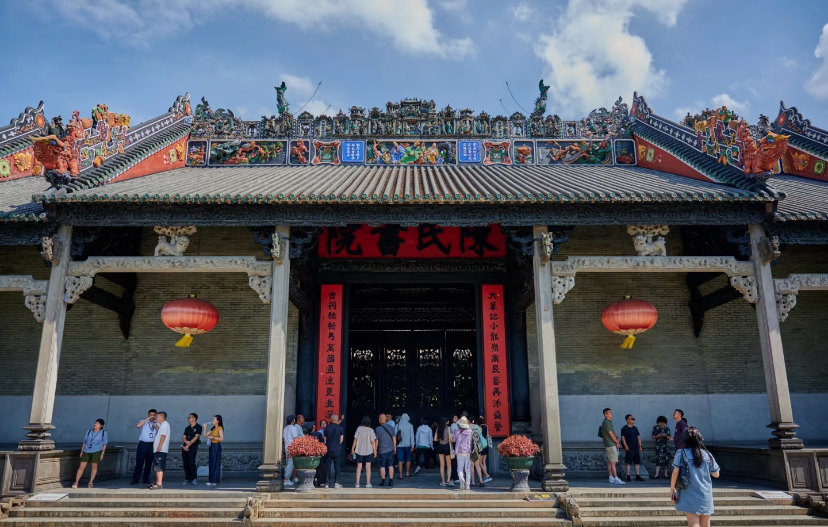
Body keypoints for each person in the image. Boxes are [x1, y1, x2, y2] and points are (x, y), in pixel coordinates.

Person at [670, 427, 721, 527]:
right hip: (705, 493)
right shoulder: (707, 454)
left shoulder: (681, 453)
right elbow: (716, 474)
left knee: (693, 524)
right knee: (706, 525)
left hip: (689, 492)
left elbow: (675, 473)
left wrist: (672, 490)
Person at [72, 419, 108, 488]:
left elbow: (104, 444)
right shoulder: (89, 431)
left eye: (97, 423)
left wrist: (102, 453)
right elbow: (84, 442)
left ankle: (90, 482)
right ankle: (76, 482)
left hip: (97, 451)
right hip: (86, 450)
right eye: (95, 423)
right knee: (81, 467)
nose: (95, 424)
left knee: (94, 466)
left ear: (101, 425)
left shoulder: (103, 432)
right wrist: (82, 451)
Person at [131, 409, 158, 485]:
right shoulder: (144, 421)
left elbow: (160, 432)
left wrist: (156, 426)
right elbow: (138, 426)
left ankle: (146, 479)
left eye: (153, 414)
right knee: (139, 462)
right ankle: (135, 479)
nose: (152, 416)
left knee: (149, 463)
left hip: (151, 445)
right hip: (143, 444)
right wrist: (147, 419)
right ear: (148, 415)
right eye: (150, 414)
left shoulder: (157, 423)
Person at [600, 408, 625, 485]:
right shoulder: (606, 422)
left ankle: (611, 477)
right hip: (611, 444)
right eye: (610, 413)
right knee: (613, 462)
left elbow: (613, 432)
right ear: (606, 414)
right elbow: (610, 433)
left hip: (610, 444)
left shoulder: (608, 422)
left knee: (610, 461)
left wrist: (616, 438)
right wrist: (616, 442)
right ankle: (616, 478)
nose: (611, 414)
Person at [351, 415, 377, 488]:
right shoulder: (371, 430)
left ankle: (357, 483)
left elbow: (355, 439)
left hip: (359, 450)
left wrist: (353, 448)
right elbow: (373, 442)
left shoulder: (359, 429)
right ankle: (368, 483)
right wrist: (375, 451)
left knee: (359, 467)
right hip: (369, 451)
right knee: (368, 467)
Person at [620, 414, 645, 482]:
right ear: (627, 420)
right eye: (631, 419)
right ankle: (628, 476)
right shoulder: (624, 428)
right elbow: (623, 438)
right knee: (628, 462)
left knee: (637, 462)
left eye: (634, 419)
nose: (633, 420)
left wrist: (640, 445)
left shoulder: (635, 428)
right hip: (629, 448)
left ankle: (637, 475)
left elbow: (638, 437)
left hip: (636, 447)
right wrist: (626, 446)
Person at [149, 411, 170, 490]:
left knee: (159, 466)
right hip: (159, 450)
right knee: (157, 466)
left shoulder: (165, 424)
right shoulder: (162, 425)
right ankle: (157, 482)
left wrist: (159, 446)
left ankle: (159, 483)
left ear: (162, 417)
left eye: (157, 416)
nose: (156, 418)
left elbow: (163, 436)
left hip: (160, 450)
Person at [323, 414, 344, 488]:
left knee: (327, 466)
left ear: (330, 420)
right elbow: (341, 440)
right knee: (337, 467)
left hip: (328, 449)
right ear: (337, 420)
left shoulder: (327, 428)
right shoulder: (340, 428)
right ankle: (336, 482)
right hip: (337, 449)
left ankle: (326, 483)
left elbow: (325, 439)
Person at [375, 413, 397, 486]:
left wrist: (375, 450)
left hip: (381, 450)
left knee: (382, 466)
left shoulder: (377, 429)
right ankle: (391, 481)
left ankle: (383, 481)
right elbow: (394, 438)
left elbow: (376, 441)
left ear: (380, 420)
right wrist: (394, 447)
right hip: (390, 449)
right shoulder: (391, 428)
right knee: (390, 465)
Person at [181, 413, 202, 485]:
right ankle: (187, 478)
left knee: (191, 462)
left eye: (190, 417)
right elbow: (183, 437)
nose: (188, 419)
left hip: (192, 447)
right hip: (185, 447)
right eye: (188, 417)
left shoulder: (198, 427)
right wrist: (186, 442)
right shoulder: (187, 428)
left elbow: (196, 437)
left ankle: (194, 478)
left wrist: (189, 444)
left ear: (194, 418)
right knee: (185, 463)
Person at [453, 416, 473, 491]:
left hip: (459, 452)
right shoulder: (470, 431)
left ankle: (461, 479)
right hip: (468, 452)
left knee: (460, 468)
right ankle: (467, 485)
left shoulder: (457, 432)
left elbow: (454, 440)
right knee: (468, 469)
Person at [204, 415, 224, 486]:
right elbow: (205, 435)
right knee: (211, 462)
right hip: (211, 446)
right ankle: (211, 480)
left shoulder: (220, 428)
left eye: (214, 419)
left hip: (216, 446)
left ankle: (215, 480)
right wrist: (205, 427)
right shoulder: (213, 429)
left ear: (218, 421)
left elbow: (221, 438)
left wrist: (213, 437)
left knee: (216, 462)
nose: (212, 420)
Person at [395, 413, 415, 479]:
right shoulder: (410, 425)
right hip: (408, 445)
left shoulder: (397, 425)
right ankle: (407, 472)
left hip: (399, 445)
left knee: (400, 460)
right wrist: (412, 445)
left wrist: (394, 444)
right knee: (408, 459)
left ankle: (400, 474)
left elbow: (395, 435)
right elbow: (412, 436)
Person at [436, 417, 453, 486]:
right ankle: (448, 480)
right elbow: (451, 439)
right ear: (446, 422)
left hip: (440, 446)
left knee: (442, 465)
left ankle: (443, 482)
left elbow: (435, 439)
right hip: (447, 446)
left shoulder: (438, 429)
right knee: (448, 465)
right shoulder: (449, 429)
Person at [283, 415, 299, 487]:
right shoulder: (293, 428)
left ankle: (287, 479)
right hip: (291, 448)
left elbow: (283, 439)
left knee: (287, 463)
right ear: (293, 421)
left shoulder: (285, 428)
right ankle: (286, 479)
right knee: (290, 464)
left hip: (286, 447)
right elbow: (295, 439)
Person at [477, 416, 493, 484]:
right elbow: (488, 434)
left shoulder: (479, 427)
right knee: (484, 462)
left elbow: (479, 436)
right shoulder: (486, 426)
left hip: (481, 445)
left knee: (479, 462)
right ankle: (485, 476)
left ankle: (486, 474)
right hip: (486, 444)